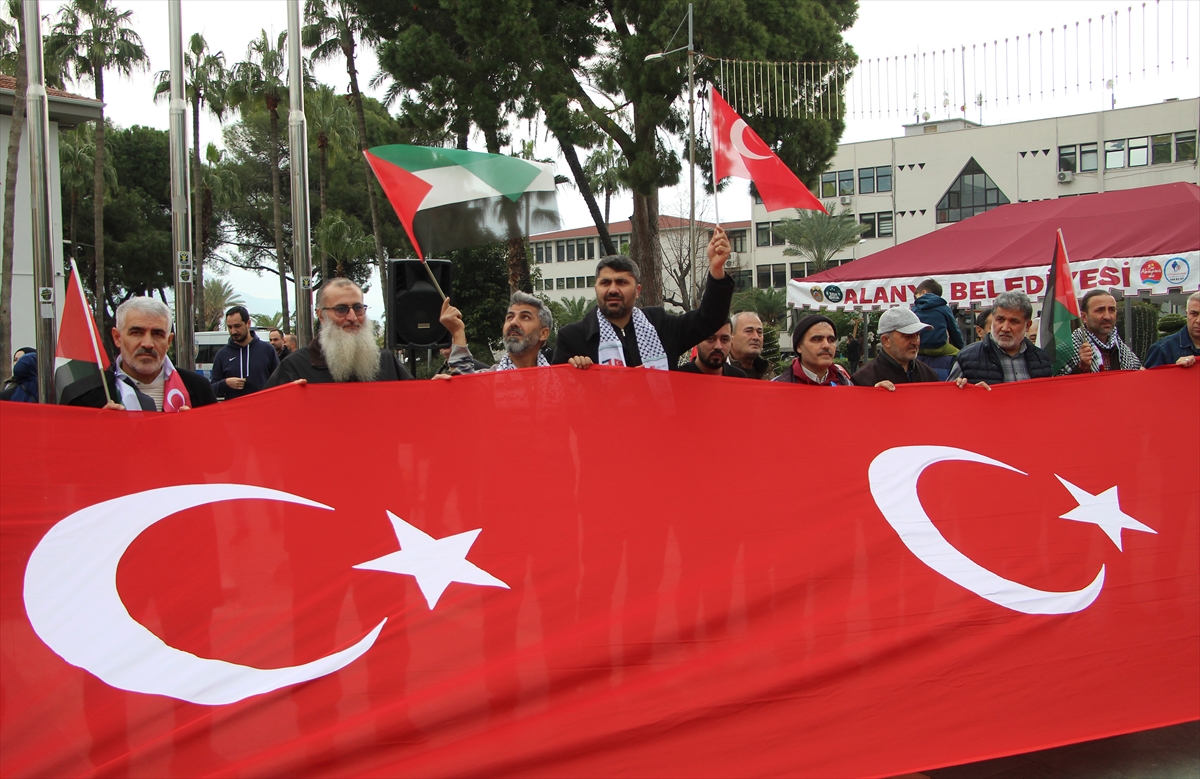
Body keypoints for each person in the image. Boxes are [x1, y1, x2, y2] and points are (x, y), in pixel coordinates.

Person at [552, 227, 733, 369]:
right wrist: (576, 372)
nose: (613, 289)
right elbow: (561, 394)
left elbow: (710, 318)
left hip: (657, 416)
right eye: (605, 283)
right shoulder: (573, 337)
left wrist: (716, 268)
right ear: (596, 288)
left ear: (638, 290)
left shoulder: (661, 326)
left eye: (622, 282)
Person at [60, 297, 216, 411]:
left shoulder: (199, 388)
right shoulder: (83, 396)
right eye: (136, 332)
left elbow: (220, 448)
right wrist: (98, 431)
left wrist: (195, 432)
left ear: (168, 341)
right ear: (117, 337)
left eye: (157, 334)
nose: (147, 343)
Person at [265, 279, 413, 386]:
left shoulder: (386, 361)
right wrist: (288, 398)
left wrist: (433, 389)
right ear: (321, 315)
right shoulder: (294, 367)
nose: (352, 317)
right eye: (341, 310)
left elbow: (413, 405)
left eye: (358, 308)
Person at [947, 291, 1051, 387]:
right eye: (1000, 320)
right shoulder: (967, 358)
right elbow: (948, 399)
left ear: (1028, 325)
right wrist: (968, 394)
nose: (1005, 328)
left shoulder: (1041, 359)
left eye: (1014, 321)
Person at [437, 292, 554, 373]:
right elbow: (465, 389)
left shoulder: (563, 380)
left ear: (543, 333)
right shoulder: (487, 381)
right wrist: (457, 331)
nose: (513, 322)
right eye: (510, 317)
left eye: (525, 317)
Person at [852, 307, 940, 390]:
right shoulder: (863, 380)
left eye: (917, 335)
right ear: (886, 340)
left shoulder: (929, 375)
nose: (915, 342)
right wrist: (872, 396)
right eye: (908, 336)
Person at [1058, 290, 1142, 374]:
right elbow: (1059, 383)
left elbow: (1138, 375)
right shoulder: (1067, 350)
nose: (1107, 317)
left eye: (1112, 310)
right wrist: (1081, 368)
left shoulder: (1122, 350)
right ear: (1084, 317)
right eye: (1100, 310)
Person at [210, 306, 280, 399]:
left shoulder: (267, 350)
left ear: (248, 323)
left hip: (263, 409)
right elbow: (212, 390)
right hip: (234, 411)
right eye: (230, 327)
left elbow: (280, 381)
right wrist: (225, 383)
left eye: (237, 326)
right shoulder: (222, 354)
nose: (233, 331)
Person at [773, 314, 853, 386]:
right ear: (799, 347)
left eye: (831, 340)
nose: (826, 345)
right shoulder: (777, 388)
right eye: (817, 339)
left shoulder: (847, 386)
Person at [1144, 291, 1200, 369]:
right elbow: (1149, 380)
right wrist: (1174, 371)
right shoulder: (1163, 349)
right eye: (1194, 314)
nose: (1198, 320)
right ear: (1186, 314)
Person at [912, 279, 964, 354]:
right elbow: (954, 331)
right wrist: (960, 347)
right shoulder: (944, 308)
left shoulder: (914, 309)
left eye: (916, 295)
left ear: (924, 292)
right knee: (959, 355)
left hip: (919, 347)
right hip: (938, 347)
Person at [679, 323, 748, 377]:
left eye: (724, 340)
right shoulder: (679, 378)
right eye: (710, 339)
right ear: (696, 341)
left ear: (731, 341)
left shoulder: (738, 378)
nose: (718, 346)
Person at [727, 311, 772, 379]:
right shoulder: (718, 371)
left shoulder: (769, 374)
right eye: (748, 331)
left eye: (759, 332)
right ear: (731, 336)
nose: (756, 337)